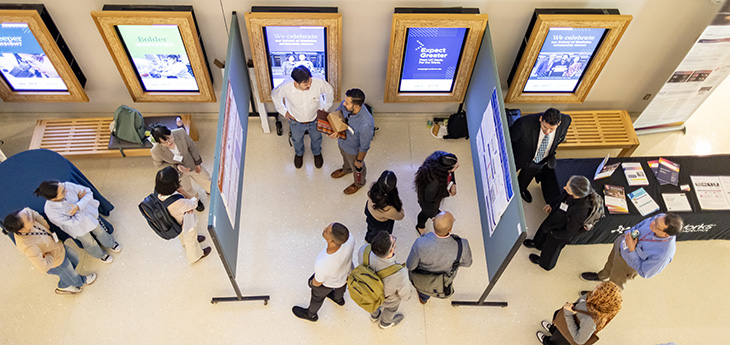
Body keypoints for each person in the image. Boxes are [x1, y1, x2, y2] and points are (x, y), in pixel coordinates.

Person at [3, 208, 96, 295]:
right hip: (57, 262)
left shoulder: (24, 214)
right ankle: (82, 281)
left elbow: (29, 211)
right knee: (73, 275)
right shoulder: (28, 246)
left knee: (75, 259)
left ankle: (64, 285)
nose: (30, 217)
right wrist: (50, 257)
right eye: (28, 219)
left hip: (58, 246)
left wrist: (44, 225)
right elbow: (42, 267)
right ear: (22, 229)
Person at [580, 213, 683, 290]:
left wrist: (632, 249)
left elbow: (644, 272)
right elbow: (642, 224)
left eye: (656, 226)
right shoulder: (661, 218)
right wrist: (628, 233)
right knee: (610, 264)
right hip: (620, 245)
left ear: (666, 235)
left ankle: (599, 297)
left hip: (627, 265)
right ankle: (602, 276)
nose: (652, 223)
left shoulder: (664, 255)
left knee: (614, 286)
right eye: (655, 220)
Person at [35, 180, 121, 263]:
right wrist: (80, 204)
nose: (67, 190)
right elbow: (74, 222)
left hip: (89, 218)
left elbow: (88, 192)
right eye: (63, 192)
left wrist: (78, 206)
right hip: (77, 229)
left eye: (63, 187)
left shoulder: (67, 185)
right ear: (53, 199)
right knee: (89, 243)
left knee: (100, 231)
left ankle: (110, 243)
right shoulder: (51, 211)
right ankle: (100, 255)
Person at [524, 176, 599, 271]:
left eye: (567, 188)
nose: (564, 187)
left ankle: (545, 263)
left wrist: (554, 233)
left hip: (560, 232)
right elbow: (560, 198)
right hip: (556, 218)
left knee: (551, 250)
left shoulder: (581, 211)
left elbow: (569, 232)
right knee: (543, 229)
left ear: (577, 194)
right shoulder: (571, 192)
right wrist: (551, 205)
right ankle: (537, 244)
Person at [271, 65, 334, 169]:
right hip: (296, 121)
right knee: (296, 139)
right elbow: (274, 95)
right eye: (306, 84)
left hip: (315, 119)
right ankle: (299, 154)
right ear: (296, 83)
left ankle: (317, 153)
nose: (309, 85)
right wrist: (284, 111)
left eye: (310, 82)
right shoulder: (285, 87)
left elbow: (329, 91)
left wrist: (325, 107)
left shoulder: (318, 82)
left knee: (317, 137)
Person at [292, 222, 354, 322]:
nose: (324, 228)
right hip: (345, 275)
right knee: (340, 288)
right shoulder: (350, 238)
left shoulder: (323, 263)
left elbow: (318, 282)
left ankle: (311, 315)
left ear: (332, 241)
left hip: (328, 283)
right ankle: (339, 299)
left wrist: (312, 283)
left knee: (317, 297)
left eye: (326, 231)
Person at [406, 211, 472, 304]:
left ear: (432, 222)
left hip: (423, 279)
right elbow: (467, 263)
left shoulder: (420, 243)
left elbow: (410, 266)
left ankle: (424, 298)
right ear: (450, 229)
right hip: (443, 282)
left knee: (423, 290)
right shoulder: (463, 245)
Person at [510, 108, 571, 203]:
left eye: (552, 129)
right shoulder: (523, 124)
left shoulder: (566, 121)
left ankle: (520, 189)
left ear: (558, 124)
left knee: (526, 177)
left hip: (540, 159)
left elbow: (560, 138)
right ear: (541, 119)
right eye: (545, 127)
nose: (547, 132)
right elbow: (510, 141)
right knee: (508, 174)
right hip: (519, 156)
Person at [154, 167, 211, 264]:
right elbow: (194, 203)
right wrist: (183, 192)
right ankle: (196, 256)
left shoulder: (158, 193)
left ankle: (187, 244)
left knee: (184, 238)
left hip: (175, 222)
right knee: (190, 239)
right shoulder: (177, 201)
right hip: (185, 223)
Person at [536, 281, 622, 345]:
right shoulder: (591, 297)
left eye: (598, 288)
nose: (595, 286)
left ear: (601, 297)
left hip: (568, 335)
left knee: (558, 341)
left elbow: (579, 340)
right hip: (566, 323)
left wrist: (568, 315)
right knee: (558, 332)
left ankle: (548, 342)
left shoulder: (591, 321)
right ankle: (553, 330)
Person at [358, 231, 411, 329]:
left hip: (367, 291)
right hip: (387, 299)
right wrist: (407, 297)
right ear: (391, 250)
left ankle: (374, 316)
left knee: (371, 302)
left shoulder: (364, 250)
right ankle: (385, 323)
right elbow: (405, 295)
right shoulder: (399, 273)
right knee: (391, 308)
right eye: (393, 241)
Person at [150, 124, 209, 212]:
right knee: (187, 189)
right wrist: (176, 167)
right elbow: (159, 165)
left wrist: (197, 163)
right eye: (164, 142)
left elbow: (192, 147)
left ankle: (209, 189)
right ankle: (196, 201)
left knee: (205, 178)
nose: (169, 143)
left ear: (170, 131)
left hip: (191, 164)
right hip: (178, 174)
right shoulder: (155, 151)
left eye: (169, 138)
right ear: (159, 143)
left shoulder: (180, 132)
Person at [328, 88, 374, 194]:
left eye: (347, 103)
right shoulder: (346, 106)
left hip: (354, 150)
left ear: (356, 106)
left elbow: (364, 146)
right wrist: (336, 129)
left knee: (357, 167)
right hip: (342, 142)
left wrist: (359, 161)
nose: (343, 103)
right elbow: (338, 114)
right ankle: (346, 169)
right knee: (345, 158)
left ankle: (359, 183)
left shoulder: (366, 124)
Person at [414, 151, 459, 235]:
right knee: (425, 214)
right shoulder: (434, 183)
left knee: (433, 211)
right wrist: (448, 194)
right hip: (427, 203)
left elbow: (451, 171)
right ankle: (420, 226)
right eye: (456, 167)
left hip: (431, 199)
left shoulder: (440, 162)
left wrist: (453, 182)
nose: (458, 167)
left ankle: (434, 213)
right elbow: (430, 198)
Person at [364, 170, 404, 243]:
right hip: (380, 223)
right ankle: (373, 243)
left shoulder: (373, 188)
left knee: (370, 229)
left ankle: (368, 238)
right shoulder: (389, 208)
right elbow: (400, 216)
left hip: (369, 212)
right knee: (377, 235)